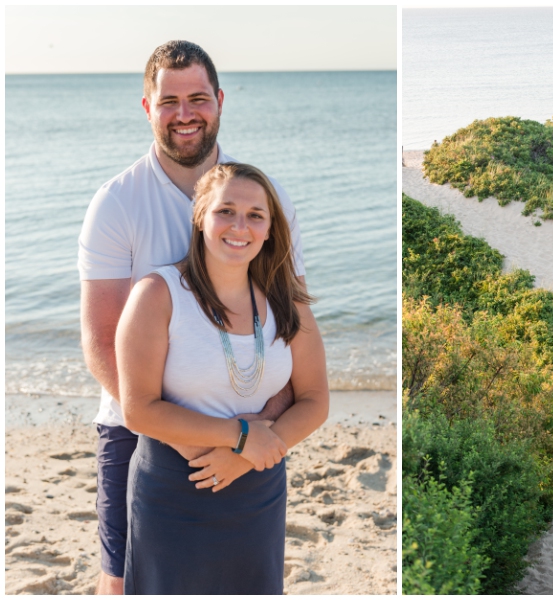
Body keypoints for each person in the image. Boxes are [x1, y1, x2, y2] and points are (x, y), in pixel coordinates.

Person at [78, 40, 309, 594]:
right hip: (140, 437)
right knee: (124, 583)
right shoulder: (117, 203)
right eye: (169, 101)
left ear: (220, 101)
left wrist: (258, 436)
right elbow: (102, 343)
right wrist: (196, 443)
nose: (185, 114)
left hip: (251, 435)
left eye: (198, 98)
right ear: (147, 108)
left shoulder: (263, 200)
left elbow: (287, 328)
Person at [116, 162, 328, 594]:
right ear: (199, 217)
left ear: (270, 230)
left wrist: (249, 453)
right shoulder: (158, 294)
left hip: (259, 490)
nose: (240, 226)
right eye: (225, 211)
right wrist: (241, 435)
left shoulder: (288, 301)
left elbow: (315, 399)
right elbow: (138, 409)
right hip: (174, 489)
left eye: (255, 215)